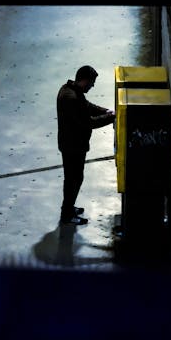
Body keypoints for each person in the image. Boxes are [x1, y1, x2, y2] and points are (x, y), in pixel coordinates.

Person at [57, 65, 115, 225]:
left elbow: (88, 107)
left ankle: (68, 208)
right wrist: (111, 118)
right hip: (73, 146)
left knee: (74, 178)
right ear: (84, 80)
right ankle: (66, 214)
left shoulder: (71, 90)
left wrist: (108, 111)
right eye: (92, 82)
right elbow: (87, 123)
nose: (93, 85)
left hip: (72, 144)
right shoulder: (71, 98)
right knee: (73, 179)